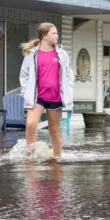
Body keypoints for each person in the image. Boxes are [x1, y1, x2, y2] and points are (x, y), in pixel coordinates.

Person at [19, 22, 73, 158]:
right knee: (31, 123)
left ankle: (57, 157)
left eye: (57, 33)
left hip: (55, 97)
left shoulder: (62, 54)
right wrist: (26, 92)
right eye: (54, 33)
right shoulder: (32, 54)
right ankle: (29, 153)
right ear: (44, 36)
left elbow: (68, 74)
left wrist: (68, 90)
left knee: (54, 130)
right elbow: (24, 75)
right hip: (38, 97)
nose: (57, 36)